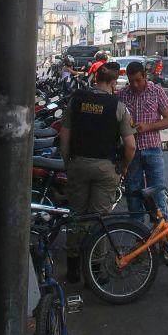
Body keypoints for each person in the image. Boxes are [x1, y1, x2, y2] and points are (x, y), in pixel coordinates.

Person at [59, 63, 136, 283]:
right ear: (112, 83)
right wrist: (123, 167)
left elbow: (65, 136)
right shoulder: (117, 106)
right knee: (100, 219)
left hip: (78, 164)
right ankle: (96, 269)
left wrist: (68, 162)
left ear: (95, 79)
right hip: (105, 168)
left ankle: (73, 267)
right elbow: (130, 146)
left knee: (77, 215)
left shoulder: (76, 100)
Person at [118, 59, 168, 221]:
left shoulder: (156, 92)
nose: (134, 84)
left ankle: (162, 235)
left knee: (157, 193)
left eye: (138, 80)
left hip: (152, 150)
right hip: (131, 152)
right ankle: (138, 232)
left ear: (145, 76)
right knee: (133, 193)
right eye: (131, 81)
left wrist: (148, 126)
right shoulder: (122, 95)